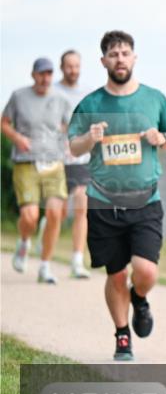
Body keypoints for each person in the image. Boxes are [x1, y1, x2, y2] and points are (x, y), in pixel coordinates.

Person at [68, 31, 166, 361]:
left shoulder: (154, 99)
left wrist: (160, 137)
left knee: (145, 271)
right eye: (113, 54)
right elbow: (72, 146)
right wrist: (89, 138)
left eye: (125, 53)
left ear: (134, 58)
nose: (120, 59)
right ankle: (122, 336)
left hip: (145, 201)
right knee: (115, 273)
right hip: (104, 201)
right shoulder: (90, 104)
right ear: (103, 61)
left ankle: (140, 298)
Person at [2, 57, 72, 284]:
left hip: (54, 163)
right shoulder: (19, 96)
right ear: (33, 75)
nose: (45, 78)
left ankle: (44, 267)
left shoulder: (61, 99)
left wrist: (68, 143)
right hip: (26, 162)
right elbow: (4, 122)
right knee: (30, 216)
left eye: (49, 74)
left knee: (54, 213)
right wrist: (17, 137)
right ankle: (24, 241)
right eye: (41, 74)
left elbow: (69, 125)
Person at [56, 49, 92, 278]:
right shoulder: (52, 92)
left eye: (76, 66)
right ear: (62, 68)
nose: (73, 70)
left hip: (80, 158)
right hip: (57, 157)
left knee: (81, 202)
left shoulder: (87, 94)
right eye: (69, 66)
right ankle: (45, 231)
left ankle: (77, 260)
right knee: (57, 212)